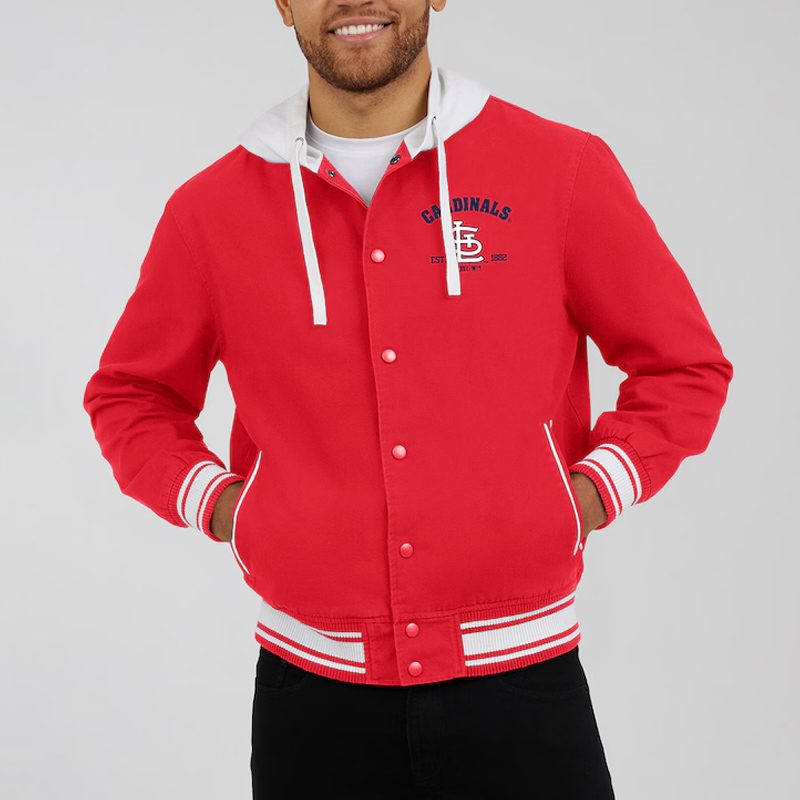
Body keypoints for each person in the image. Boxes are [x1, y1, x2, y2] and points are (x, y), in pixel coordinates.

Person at [83, 1, 733, 797]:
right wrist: (225, 508)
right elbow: (131, 393)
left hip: (523, 686)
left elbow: (683, 365)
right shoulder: (209, 212)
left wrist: (588, 494)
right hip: (311, 701)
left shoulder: (560, 168)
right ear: (282, 4)